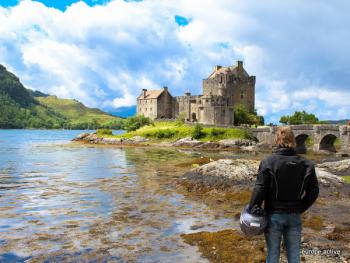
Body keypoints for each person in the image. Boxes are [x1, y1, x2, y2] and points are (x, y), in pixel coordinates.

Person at [249, 126, 319, 263]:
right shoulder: (307, 164)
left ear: (277, 140)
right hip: (294, 215)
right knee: (294, 256)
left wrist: (252, 207)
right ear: (293, 140)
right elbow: (314, 192)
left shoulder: (268, 162)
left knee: (273, 255)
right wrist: (300, 208)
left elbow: (260, 188)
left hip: (273, 215)